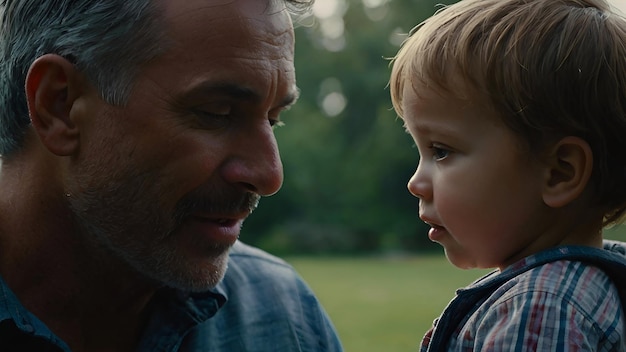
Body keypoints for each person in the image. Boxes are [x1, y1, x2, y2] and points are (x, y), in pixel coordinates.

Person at [0, 0, 344, 351]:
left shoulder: (287, 318)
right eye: (217, 113)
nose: (270, 175)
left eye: (273, 119)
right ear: (59, 104)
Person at [389, 0, 626, 350]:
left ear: (559, 173)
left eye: (441, 151)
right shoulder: (599, 283)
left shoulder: (538, 309)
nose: (415, 183)